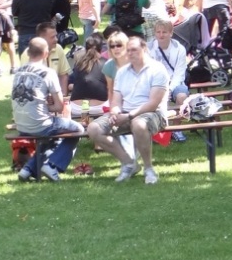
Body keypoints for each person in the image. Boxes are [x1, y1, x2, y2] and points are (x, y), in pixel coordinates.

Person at [87, 36, 169, 184]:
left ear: (144, 49)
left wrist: (129, 116)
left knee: (138, 124)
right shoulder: (122, 72)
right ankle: (129, 163)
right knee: (93, 128)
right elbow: (116, 100)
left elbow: (153, 103)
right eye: (128, 50)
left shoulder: (157, 69)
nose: (130, 53)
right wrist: (115, 112)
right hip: (125, 113)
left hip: (154, 114)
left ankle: (149, 169)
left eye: (134, 50)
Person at [13, 38, 84, 182]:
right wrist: (46, 106)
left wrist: (40, 104)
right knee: (78, 129)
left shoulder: (17, 72)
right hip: (40, 124)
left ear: (28, 52)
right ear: (46, 53)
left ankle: (28, 169)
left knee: (52, 138)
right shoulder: (48, 73)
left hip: (20, 124)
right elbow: (59, 106)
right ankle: (53, 165)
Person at [68, 37, 109, 104]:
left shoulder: (78, 63)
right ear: (101, 49)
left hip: (77, 106)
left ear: (85, 49)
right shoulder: (106, 63)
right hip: (99, 106)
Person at [102, 28, 130, 95]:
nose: (115, 48)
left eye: (119, 45)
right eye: (112, 46)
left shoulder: (136, 63)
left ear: (127, 46)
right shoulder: (108, 66)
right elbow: (111, 91)